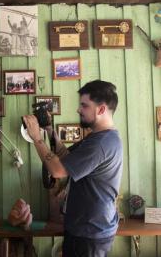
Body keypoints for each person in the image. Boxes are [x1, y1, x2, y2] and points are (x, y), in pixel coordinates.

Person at [22, 80, 122, 257]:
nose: (78, 109)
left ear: (101, 109)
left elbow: (58, 171)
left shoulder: (101, 143)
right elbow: (65, 157)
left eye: (84, 105)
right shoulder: (98, 138)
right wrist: (48, 130)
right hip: (87, 229)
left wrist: (37, 138)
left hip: (90, 234)